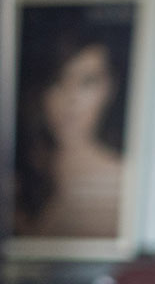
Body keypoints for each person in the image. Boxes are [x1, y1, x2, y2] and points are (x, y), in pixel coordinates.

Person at [13, 25, 131, 240]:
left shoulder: (125, 179)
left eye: (87, 82)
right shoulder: (19, 171)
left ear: (109, 88)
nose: (70, 99)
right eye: (58, 80)